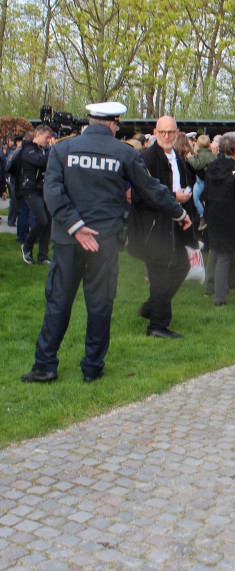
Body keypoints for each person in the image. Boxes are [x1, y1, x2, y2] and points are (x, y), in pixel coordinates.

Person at [21, 102, 190, 384]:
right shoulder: (123, 152)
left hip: (67, 240)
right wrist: (179, 213)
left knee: (58, 302)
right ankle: (92, 367)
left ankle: (45, 366)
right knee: (99, 304)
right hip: (105, 241)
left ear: (89, 122)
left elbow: (52, 192)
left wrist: (75, 226)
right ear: (113, 125)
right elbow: (149, 190)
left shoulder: (62, 149)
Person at [128, 115, 197, 339]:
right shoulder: (146, 158)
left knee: (181, 266)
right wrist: (173, 196)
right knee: (159, 275)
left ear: (177, 133)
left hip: (174, 223)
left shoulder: (177, 156)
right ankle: (157, 326)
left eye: (171, 132)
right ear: (155, 133)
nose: (167, 136)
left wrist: (183, 199)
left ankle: (152, 308)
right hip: (154, 227)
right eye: (162, 132)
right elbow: (139, 194)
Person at [203, 134, 235, 308]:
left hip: (215, 219)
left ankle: (219, 299)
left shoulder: (211, 169)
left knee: (222, 258)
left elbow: (206, 194)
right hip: (233, 220)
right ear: (234, 150)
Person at [20, 123, 54, 265]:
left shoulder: (42, 150)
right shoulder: (28, 150)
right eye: (46, 137)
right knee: (42, 220)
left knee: (48, 222)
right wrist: (53, 149)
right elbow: (40, 162)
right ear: (37, 135)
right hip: (31, 190)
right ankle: (27, 247)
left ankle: (43, 255)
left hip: (42, 190)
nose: (48, 140)